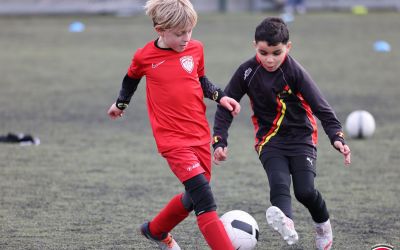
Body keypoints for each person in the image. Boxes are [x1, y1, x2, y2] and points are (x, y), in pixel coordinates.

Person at [107, 0, 240, 249]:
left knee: (193, 196)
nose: (186, 38)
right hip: (172, 141)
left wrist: (220, 97)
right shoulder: (145, 56)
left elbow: (200, 80)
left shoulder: (196, 49)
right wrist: (121, 104)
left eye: (189, 31)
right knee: (204, 198)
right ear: (160, 30)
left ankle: (155, 230)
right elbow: (131, 79)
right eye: (179, 33)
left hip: (200, 135)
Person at [212, 17, 351, 250]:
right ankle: (286, 222)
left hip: (302, 138)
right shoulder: (247, 72)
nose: (269, 59)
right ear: (254, 44)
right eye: (263, 52)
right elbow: (227, 104)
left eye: (276, 53)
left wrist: (337, 136)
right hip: (269, 139)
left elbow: (321, 107)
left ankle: (323, 226)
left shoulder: (295, 73)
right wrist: (219, 140)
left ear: (288, 47)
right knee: (278, 182)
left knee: (305, 191)